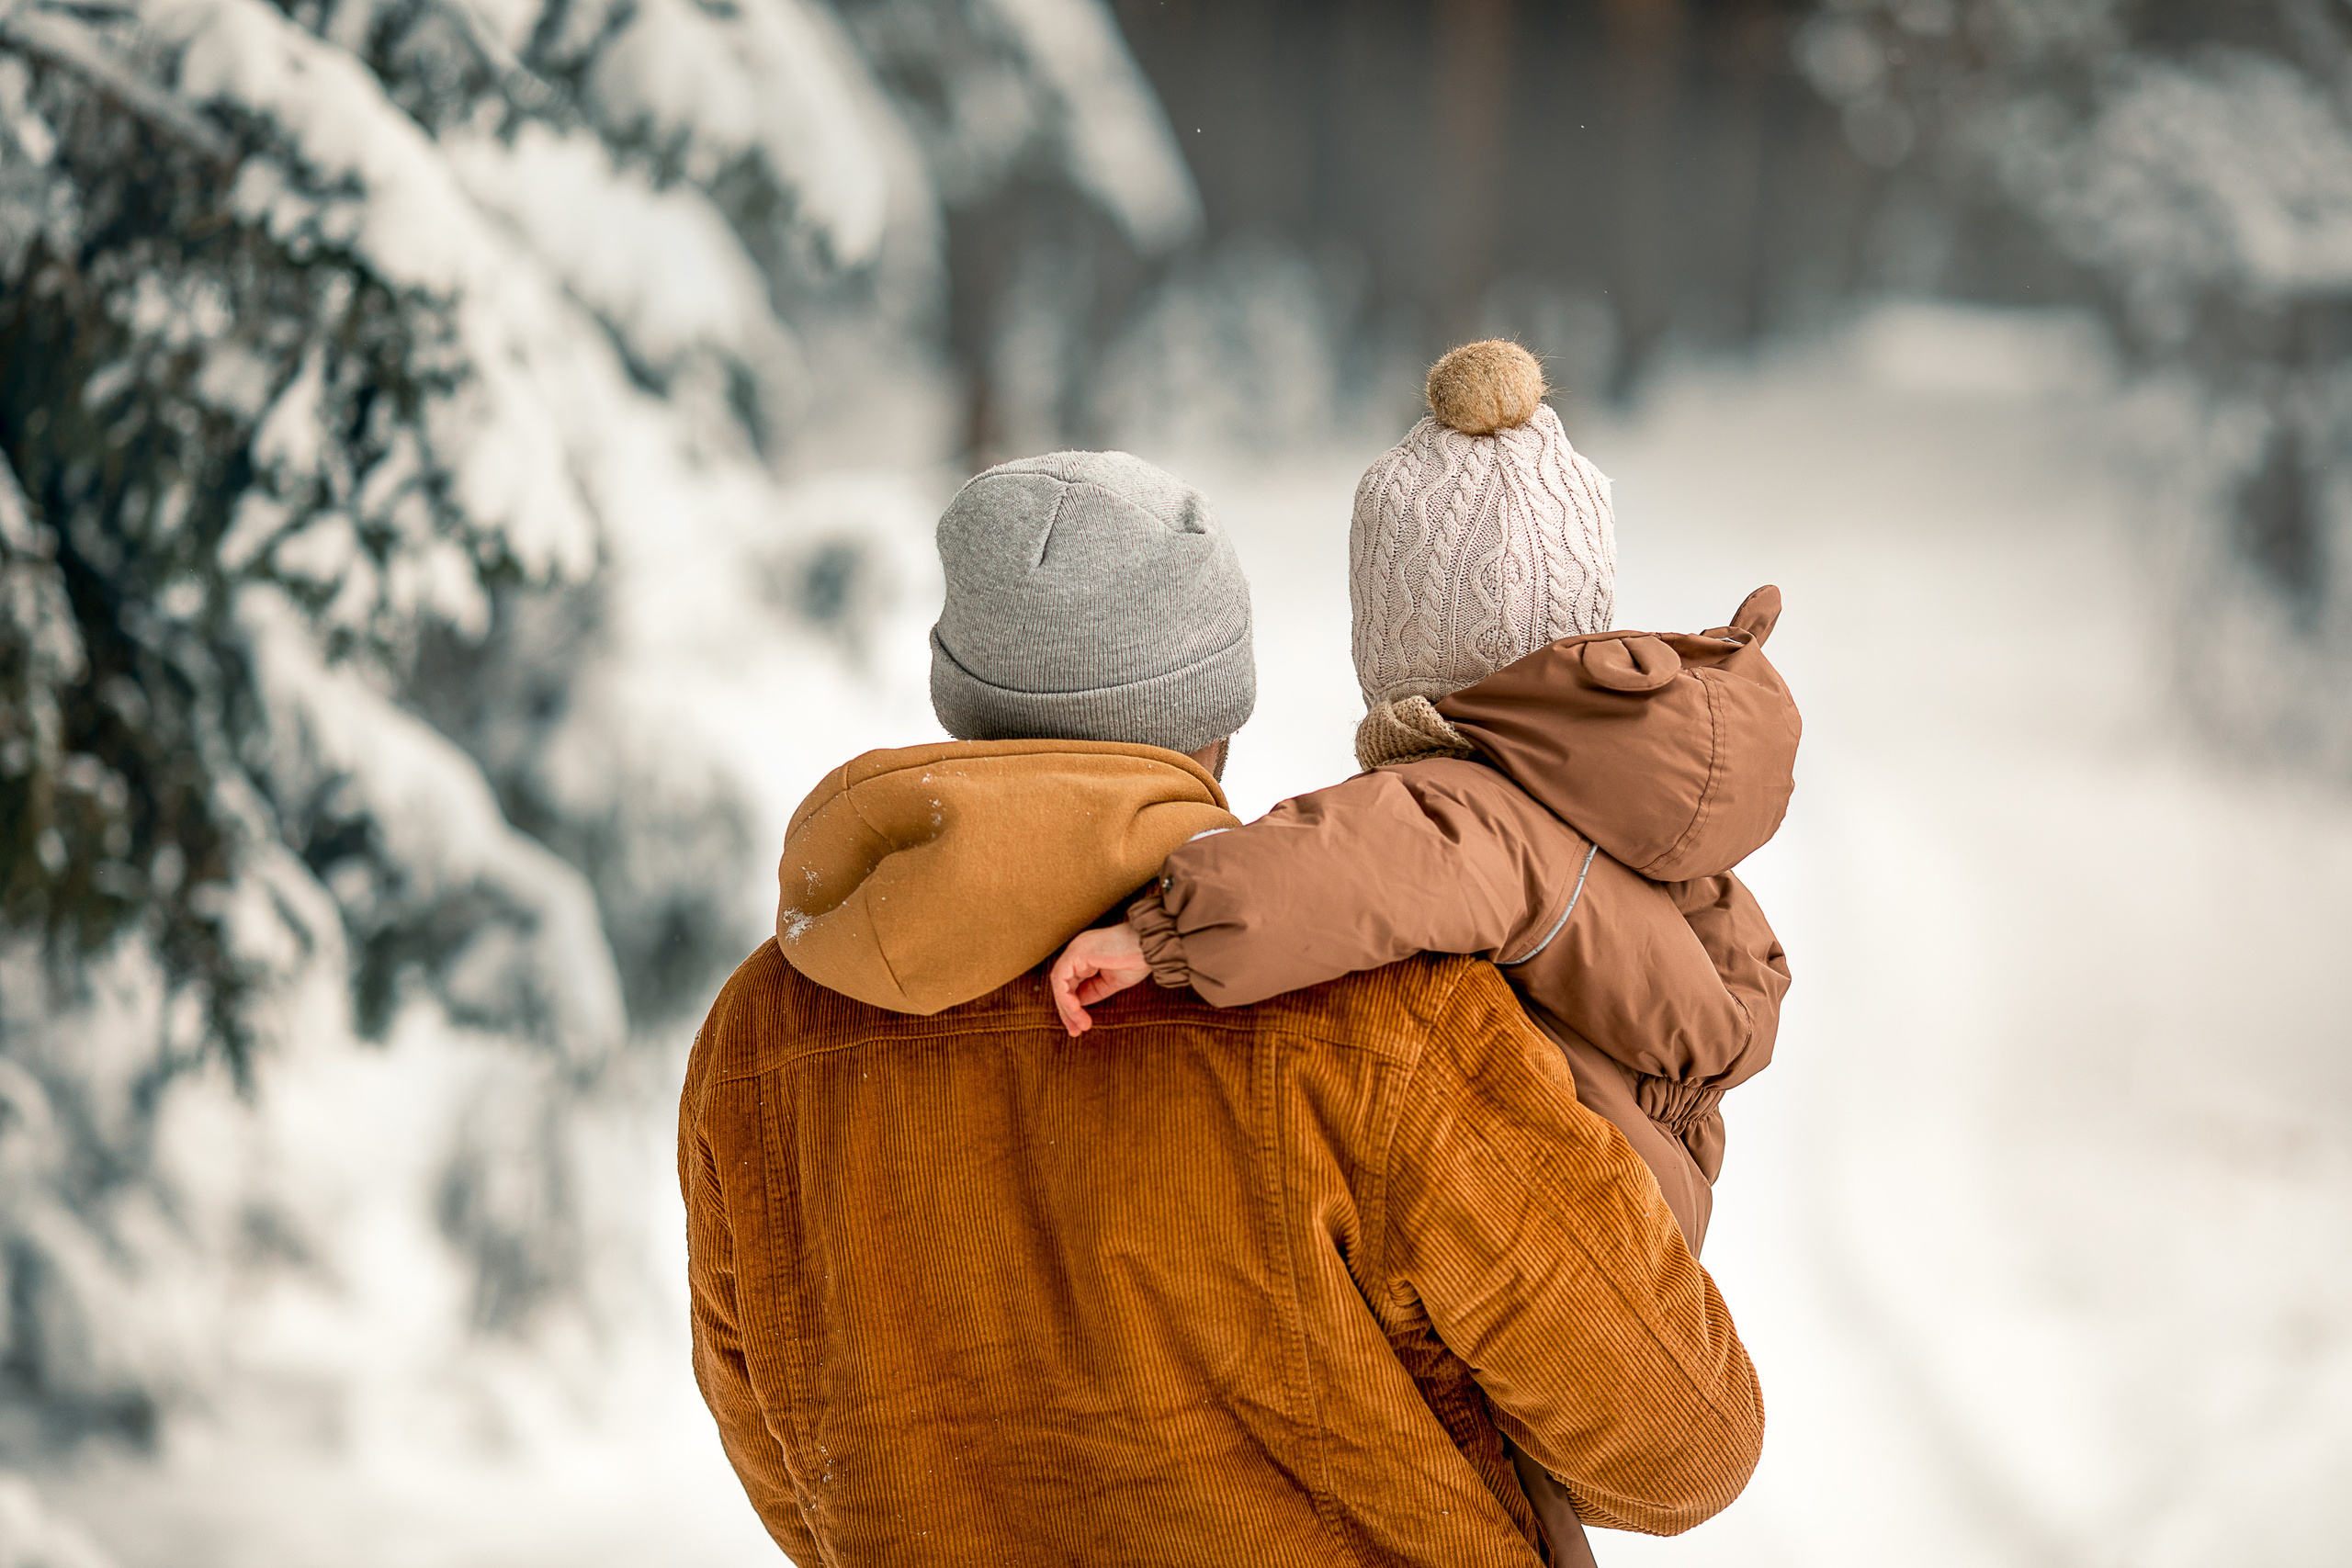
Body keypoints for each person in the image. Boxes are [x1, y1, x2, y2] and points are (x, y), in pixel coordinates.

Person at [680, 448, 1764, 1565]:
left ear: (961, 697)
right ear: (1215, 717)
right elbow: (1679, 1448)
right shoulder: (1387, 1019)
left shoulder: (766, 1030)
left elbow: (786, 1455)